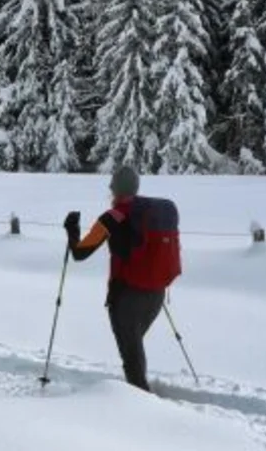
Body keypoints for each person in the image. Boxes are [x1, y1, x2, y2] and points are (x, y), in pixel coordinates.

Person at [63, 165, 181, 393]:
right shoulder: (150, 213)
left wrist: (71, 230)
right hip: (156, 294)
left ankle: (139, 405)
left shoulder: (111, 218)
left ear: (114, 189)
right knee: (133, 350)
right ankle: (138, 396)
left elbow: (80, 253)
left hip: (126, 296)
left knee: (131, 355)